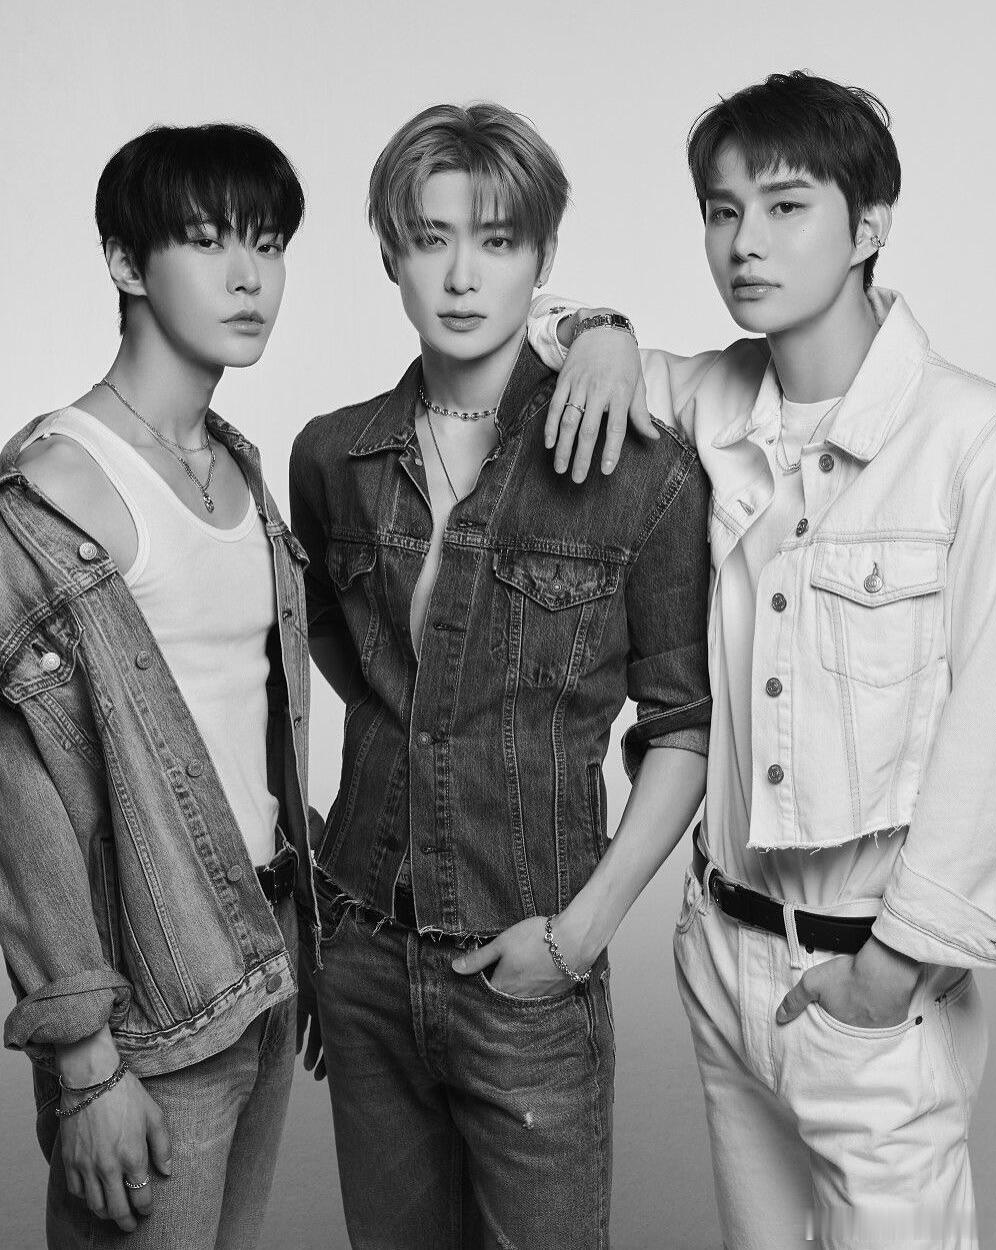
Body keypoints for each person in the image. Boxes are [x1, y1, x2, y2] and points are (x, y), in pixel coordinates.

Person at [528, 70, 995, 1248]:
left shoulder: (968, 440)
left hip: (873, 988)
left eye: (785, 207)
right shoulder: (708, 399)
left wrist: (892, 969)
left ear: (869, 225)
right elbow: (543, 330)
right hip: (722, 956)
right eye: (722, 210)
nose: (744, 242)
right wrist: (599, 331)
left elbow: (990, 732)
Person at [289, 101, 711, 1249]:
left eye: (497, 239)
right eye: (431, 238)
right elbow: (335, 663)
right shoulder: (332, 456)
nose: (463, 275)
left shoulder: (641, 470)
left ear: (543, 255)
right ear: (390, 252)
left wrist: (576, 936)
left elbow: (682, 728)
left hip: (529, 969)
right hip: (364, 958)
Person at [0, 122, 321, 1250]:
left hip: (263, 960)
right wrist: (85, 1063)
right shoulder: (54, 486)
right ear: (125, 262)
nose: (249, 277)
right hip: (145, 1010)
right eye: (208, 240)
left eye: (268, 244)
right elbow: (16, 805)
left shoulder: (237, 465)